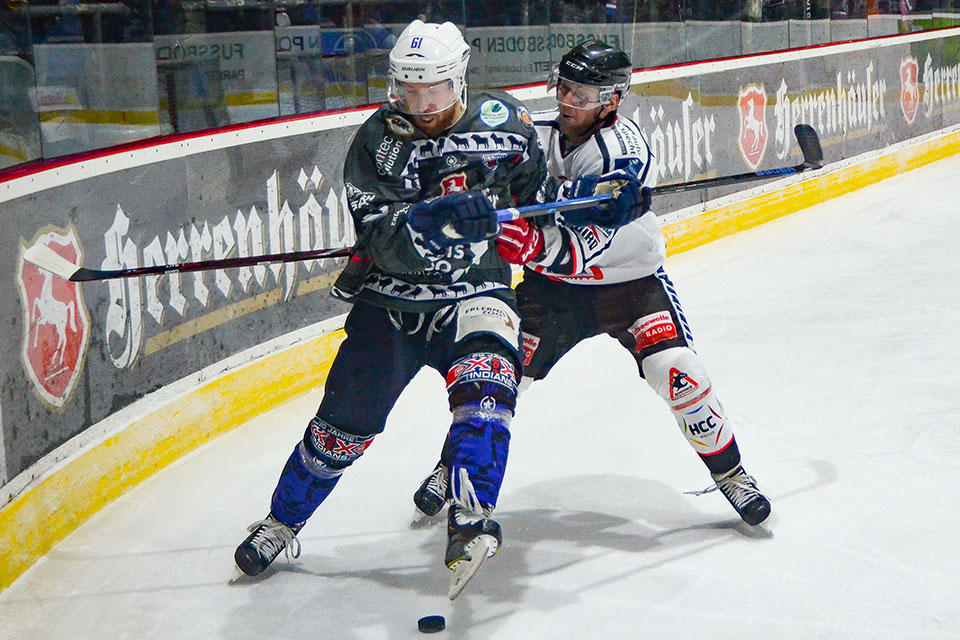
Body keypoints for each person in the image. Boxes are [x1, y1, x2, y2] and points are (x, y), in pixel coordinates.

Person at [233, 20, 548, 598]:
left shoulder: (510, 124)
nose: (422, 105)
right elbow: (379, 236)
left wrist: (532, 235)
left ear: (461, 78)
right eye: (409, 90)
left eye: (435, 90)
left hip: (477, 294)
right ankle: (282, 522)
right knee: (339, 434)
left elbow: (536, 207)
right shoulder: (378, 138)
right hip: (392, 305)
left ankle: (471, 519)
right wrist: (437, 219)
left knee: (488, 396)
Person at [413, 40, 772, 528]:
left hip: (631, 287)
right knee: (497, 377)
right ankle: (451, 467)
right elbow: (489, 181)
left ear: (612, 100)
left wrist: (533, 243)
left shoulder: (625, 149)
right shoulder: (534, 136)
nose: (567, 102)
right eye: (564, 89)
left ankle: (731, 473)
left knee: (678, 371)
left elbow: (590, 240)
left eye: (582, 95)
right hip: (552, 293)